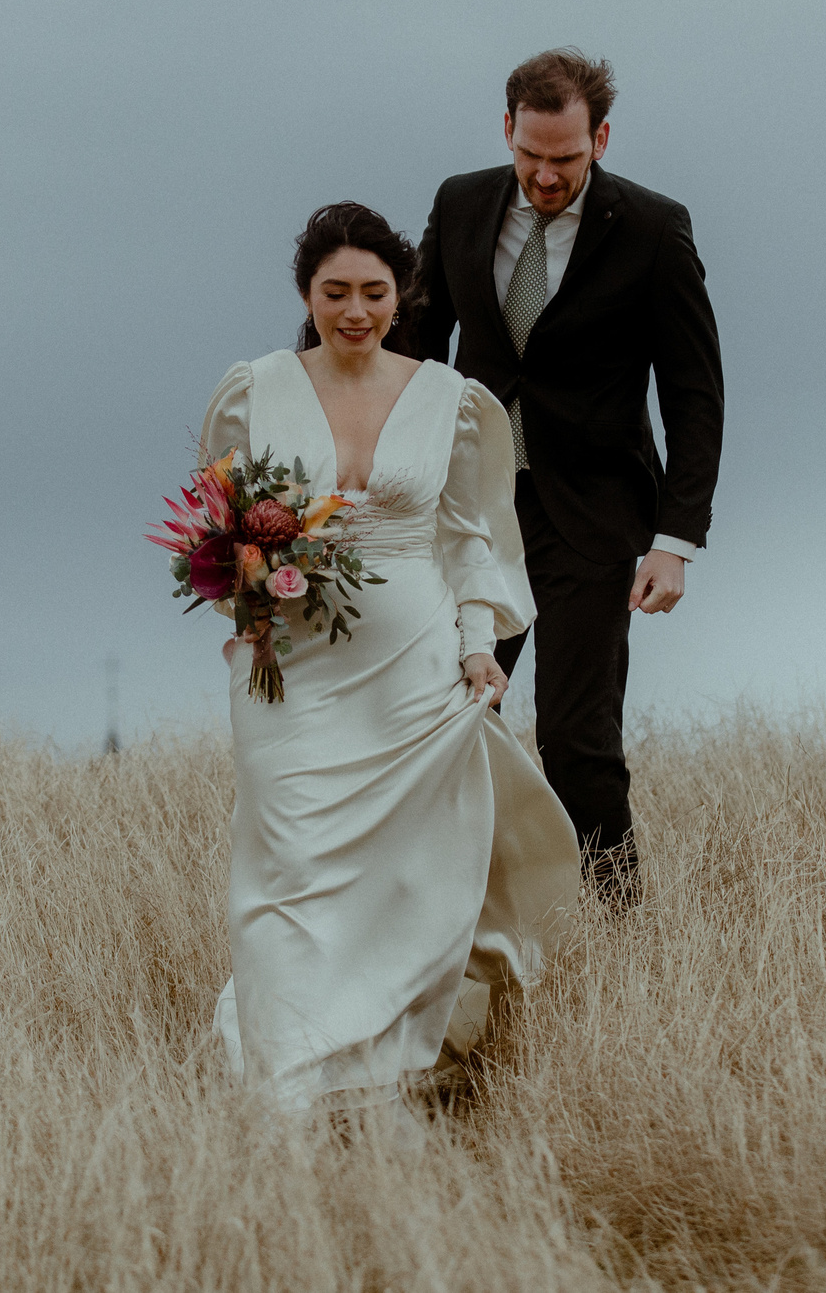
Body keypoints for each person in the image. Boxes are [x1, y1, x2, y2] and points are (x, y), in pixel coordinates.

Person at [199, 202, 578, 1126]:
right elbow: (221, 523)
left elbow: (474, 537)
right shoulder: (254, 390)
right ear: (306, 293)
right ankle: (289, 1074)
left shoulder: (453, 398)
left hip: (414, 660)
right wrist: (246, 603)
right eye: (336, 292)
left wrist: (479, 647)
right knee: (290, 863)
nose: (355, 310)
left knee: (409, 868)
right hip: (291, 668)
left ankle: (389, 1066)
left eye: (374, 292)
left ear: (401, 293)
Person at [412, 49, 724, 907]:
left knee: (578, 739)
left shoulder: (655, 229)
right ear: (506, 128)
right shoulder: (460, 202)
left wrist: (674, 539)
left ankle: (617, 933)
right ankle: (460, 919)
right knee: (451, 720)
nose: (547, 176)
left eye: (568, 158)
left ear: (602, 139)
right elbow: (415, 346)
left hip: (592, 517)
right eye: (532, 155)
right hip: (472, 510)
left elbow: (695, 392)